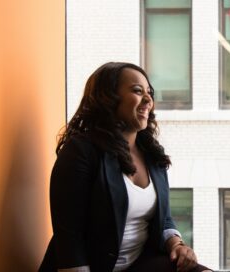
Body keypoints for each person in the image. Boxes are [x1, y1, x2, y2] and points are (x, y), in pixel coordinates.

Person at [39, 62, 211, 272]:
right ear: (108, 98)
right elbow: (69, 235)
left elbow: (163, 218)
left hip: (139, 264)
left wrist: (176, 244)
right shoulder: (81, 151)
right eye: (138, 91)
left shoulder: (151, 154)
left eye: (150, 93)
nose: (148, 99)